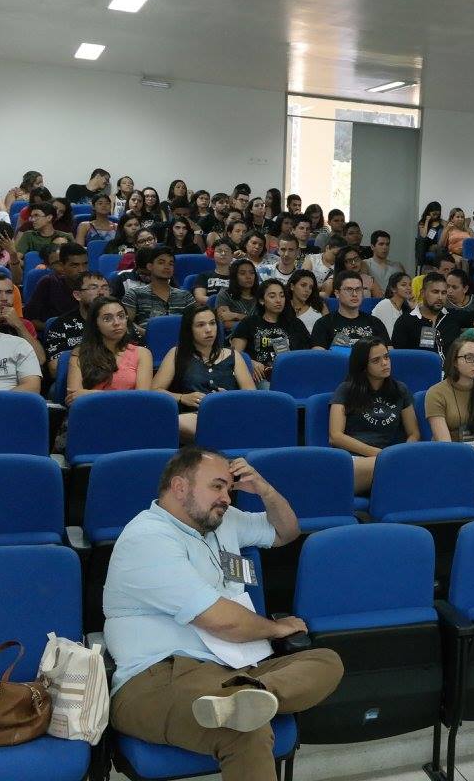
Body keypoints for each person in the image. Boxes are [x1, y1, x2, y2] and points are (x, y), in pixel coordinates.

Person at [103, 447, 344, 781]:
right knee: (246, 730)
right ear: (180, 487)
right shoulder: (147, 538)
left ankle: (251, 694)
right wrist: (276, 629)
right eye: (217, 486)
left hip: (234, 669)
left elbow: (286, 531)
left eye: (229, 489)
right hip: (156, 680)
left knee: (327, 661)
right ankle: (243, 702)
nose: (227, 498)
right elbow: (223, 621)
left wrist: (265, 490)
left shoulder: (221, 521)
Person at [328, 339, 420, 492]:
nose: (385, 363)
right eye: (376, 360)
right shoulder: (346, 390)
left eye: (386, 357)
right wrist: (380, 454)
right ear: (363, 366)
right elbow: (335, 436)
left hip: (390, 457)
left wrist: (403, 454)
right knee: (394, 471)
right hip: (355, 458)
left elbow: (414, 433)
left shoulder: (400, 389)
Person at [154, 305, 255, 441]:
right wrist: (182, 397)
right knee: (173, 422)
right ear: (189, 329)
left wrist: (229, 398)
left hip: (228, 413)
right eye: (200, 325)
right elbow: (155, 391)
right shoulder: (177, 354)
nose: (208, 329)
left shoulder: (233, 355)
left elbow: (251, 396)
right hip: (192, 418)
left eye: (212, 323)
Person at [424, 333, 474, 482]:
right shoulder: (435, 393)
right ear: (455, 362)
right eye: (469, 358)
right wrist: (471, 469)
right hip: (447, 458)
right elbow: (445, 444)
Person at [65, 298, 153, 402]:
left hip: (129, 410)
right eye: (107, 319)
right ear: (95, 324)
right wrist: (123, 396)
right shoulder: (80, 353)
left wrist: (91, 394)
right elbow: (73, 399)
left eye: (121, 316)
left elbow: (142, 399)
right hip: (92, 411)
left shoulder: (142, 353)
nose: (117, 323)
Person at [230, 280, 311, 386]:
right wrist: (250, 362)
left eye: (282, 296)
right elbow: (234, 354)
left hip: (290, 374)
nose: (278, 300)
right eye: (272, 296)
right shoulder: (249, 323)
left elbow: (305, 355)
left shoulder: (295, 324)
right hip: (260, 377)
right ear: (261, 300)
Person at [44, 269, 109, 376]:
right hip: (80, 379)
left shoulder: (119, 322)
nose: (101, 292)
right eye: (93, 288)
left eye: (105, 288)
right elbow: (55, 369)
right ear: (77, 295)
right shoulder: (61, 325)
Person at [122, 247, 195, 336]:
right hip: (144, 341)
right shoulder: (134, 294)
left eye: (171, 264)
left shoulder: (185, 296)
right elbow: (125, 322)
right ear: (150, 266)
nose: (167, 267)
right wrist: (149, 335)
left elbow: (196, 322)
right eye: (161, 262)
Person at [310, 272, 389, 349]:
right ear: (337, 293)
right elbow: (319, 355)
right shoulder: (323, 324)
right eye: (349, 289)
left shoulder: (375, 322)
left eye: (358, 289)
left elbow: (389, 352)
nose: (355, 294)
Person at [22, 240, 86, 323]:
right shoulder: (48, 282)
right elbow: (30, 318)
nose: (82, 270)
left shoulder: (92, 283)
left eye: (85, 264)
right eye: (57, 263)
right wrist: (53, 327)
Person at [392, 271, 454, 354]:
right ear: (422, 293)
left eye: (443, 293)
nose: (440, 297)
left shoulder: (454, 317)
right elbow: (399, 356)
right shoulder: (405, 322)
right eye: (435, 292)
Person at [215, 259, 261, 331]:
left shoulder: (261, 294)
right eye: (242, 273)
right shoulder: (225, 294)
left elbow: (266, 321)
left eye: (252, 273)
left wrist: (236, 316)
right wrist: (254, 322)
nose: (248, 277)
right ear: (234, 276)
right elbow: (224, 323)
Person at [371, 271, 412, 338]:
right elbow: (389, 337)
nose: (409, 288)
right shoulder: (385, 305)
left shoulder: (405, 308)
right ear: (393, 289)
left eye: (410, 285)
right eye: (404, 285)